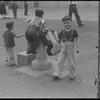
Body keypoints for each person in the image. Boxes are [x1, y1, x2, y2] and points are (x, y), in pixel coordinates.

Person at [52, 15, 79, 81]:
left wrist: (77, 47)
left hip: (71, 48)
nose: (67, 24)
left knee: (72, 62)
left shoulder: (74, 31)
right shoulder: (62, 31)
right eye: (65, 23)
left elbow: (76, 39)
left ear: (71, 22)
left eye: (68, 22)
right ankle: (56, 73)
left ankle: (72, 75)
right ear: (62, 23)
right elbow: (58, 39)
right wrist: (56, 39)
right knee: (60, 61)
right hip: (63, 48)